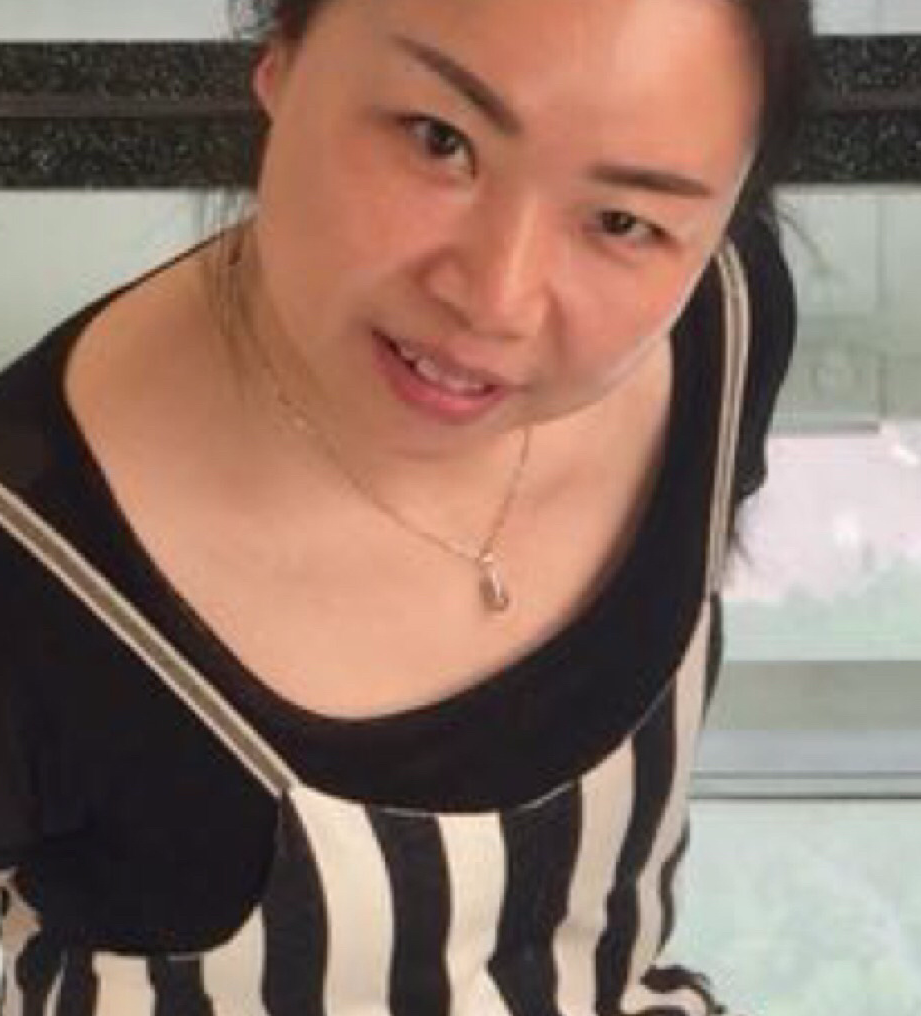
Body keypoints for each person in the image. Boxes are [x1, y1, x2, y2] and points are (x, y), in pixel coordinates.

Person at [0, 0, 812, 1012]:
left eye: (621, 221)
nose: (495, 301)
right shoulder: (31, 579)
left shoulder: (719, 327)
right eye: (440, 140)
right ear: (281, 57)